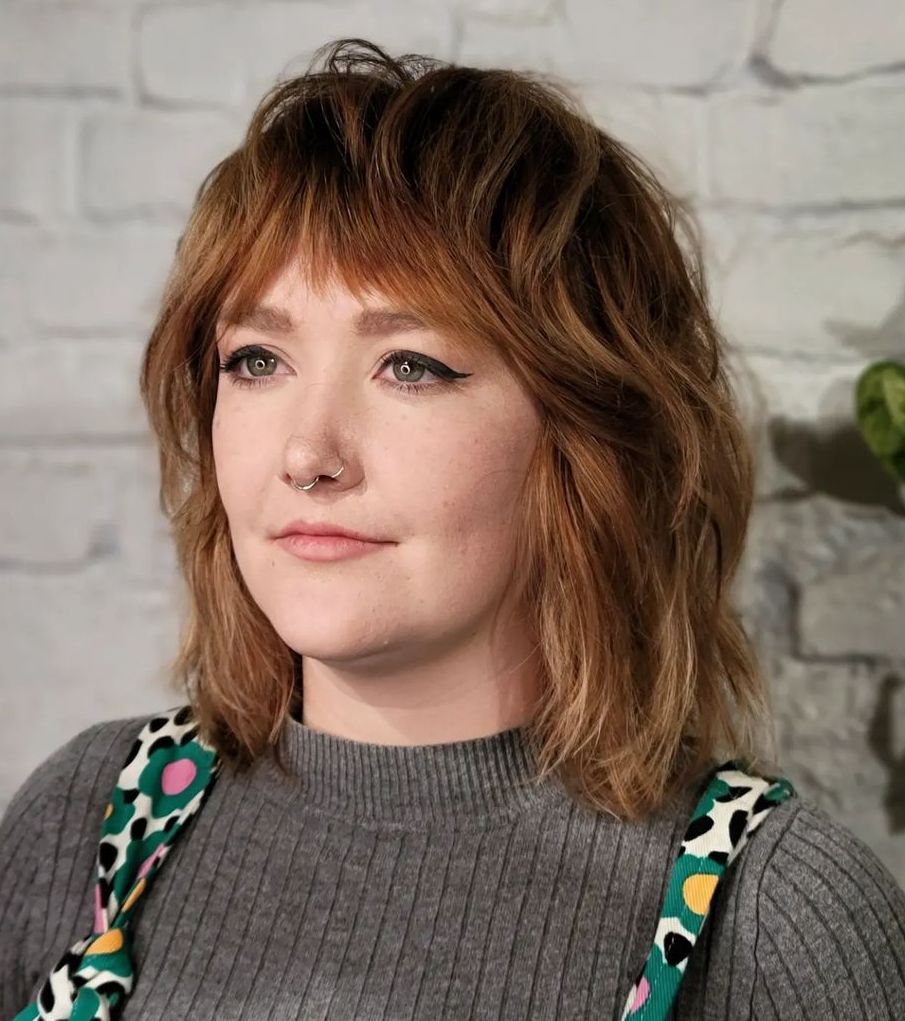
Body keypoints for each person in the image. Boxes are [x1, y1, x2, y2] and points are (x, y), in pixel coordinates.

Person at [2, 36, 904, 1021]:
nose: (308, 452)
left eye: (410, 365)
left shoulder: (767, 916)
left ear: (587, 433)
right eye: (257, 359)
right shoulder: (93, 824)